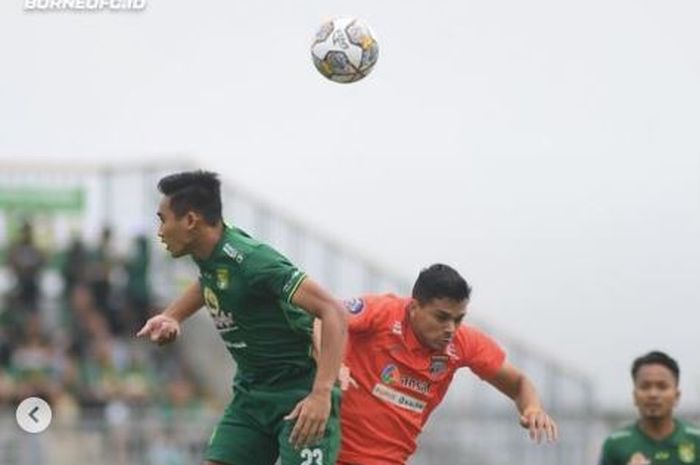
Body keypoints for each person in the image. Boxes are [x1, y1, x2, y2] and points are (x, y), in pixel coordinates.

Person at [137, 170, 347, 465]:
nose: (159, 231)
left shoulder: (252, 260)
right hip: (251, 395)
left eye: (162, 219)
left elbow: (332, 310)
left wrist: (321, 393)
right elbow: (211, 280)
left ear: (190, 220)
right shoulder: (210, 254)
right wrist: (172, 316)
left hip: (299, 394)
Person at [331, 263, 558, 465]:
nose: (450, 328)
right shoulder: (382, 312)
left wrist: (533, 408)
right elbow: (324, 316)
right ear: (413, 308)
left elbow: (519, 383)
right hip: (328, 452)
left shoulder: (463, 343)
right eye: (441, 317)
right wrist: (331, 365)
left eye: (458, 319)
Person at [598, 351, 700, 465]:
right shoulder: (616, 444)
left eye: (662, 387)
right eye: (645, 387)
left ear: (676, 396)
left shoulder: (696, 439)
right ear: (635, 396)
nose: (653, 394)